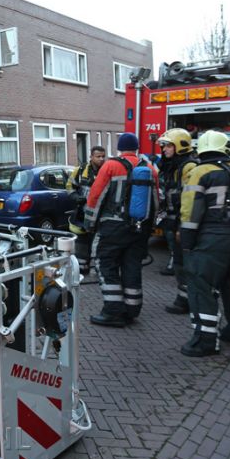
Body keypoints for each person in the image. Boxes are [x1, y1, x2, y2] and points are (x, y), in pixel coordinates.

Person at [179, 130, 230, 357]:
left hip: (212, 238)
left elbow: (191, 209)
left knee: (201, 286)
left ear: (201, 149)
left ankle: (205, 342)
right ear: (227, 148)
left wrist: (187, 243)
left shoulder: (200, 171)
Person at [84, 132, 159, 327]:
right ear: (135, 148)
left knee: (104, 262)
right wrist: (148, 229)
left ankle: (113, 311)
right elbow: (157, 201)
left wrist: (89, 222)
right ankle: (132, 309)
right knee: (132, 266)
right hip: (139, 228)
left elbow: (95, 196)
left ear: (120, 148)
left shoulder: (111, 165)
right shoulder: (149, 168)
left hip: (113, 227)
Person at [155, 128, 198, 314]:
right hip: (173, 221)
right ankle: (184, 298)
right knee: (180, 263)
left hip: (183, 223)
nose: (164, 149)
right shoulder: (171, 166)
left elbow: (189, 199)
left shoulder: (188, 167)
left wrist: (182, 226)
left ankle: (187, 300)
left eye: (168, 145)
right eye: (163, 145)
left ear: (180, 146)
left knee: (186, 264)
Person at [66, 145, 106, 275]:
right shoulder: (80, 170)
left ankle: (98, 270)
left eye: (103, 156)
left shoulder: (107, 170)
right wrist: (75, 196)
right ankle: (82, 269)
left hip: (101, 214)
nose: (101, 159)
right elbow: (69, 185)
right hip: (82, 214)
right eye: (98, 156)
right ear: (91, 157)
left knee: (98, 243)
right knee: (82, 242)